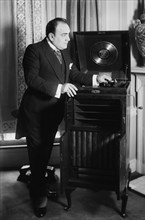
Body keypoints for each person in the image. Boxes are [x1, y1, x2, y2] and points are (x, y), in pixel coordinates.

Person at [16, 17, 112, 217]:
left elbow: (75, 74)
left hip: (53, 112)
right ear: (51, 35)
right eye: (63, 34)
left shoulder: (66, 52)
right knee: (37, 155)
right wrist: (61, 88)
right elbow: (32, 80)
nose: (68, 38)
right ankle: (38, 196)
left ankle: (39, 182)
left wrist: (96, 78)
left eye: (68, 33)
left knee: (45, 151)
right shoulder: (34, 50)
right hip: (35, 112)